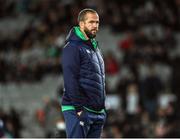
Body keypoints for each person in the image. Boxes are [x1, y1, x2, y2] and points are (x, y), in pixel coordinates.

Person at [61, 8, 106, 138]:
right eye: (91, 22)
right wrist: (79, 109)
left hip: (97, 112)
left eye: (97, 22)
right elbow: (70, 80)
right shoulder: (72, 47)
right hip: (79, 109)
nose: (95, 26)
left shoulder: (95, 47)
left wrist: (101, 110)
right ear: (81, 24)